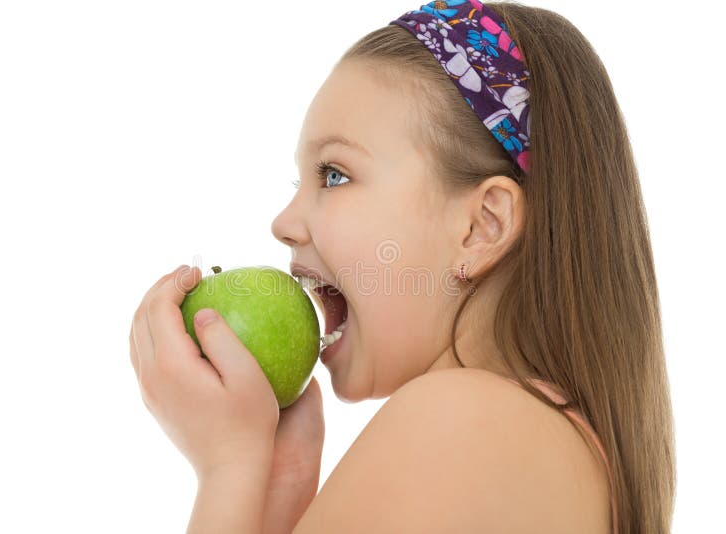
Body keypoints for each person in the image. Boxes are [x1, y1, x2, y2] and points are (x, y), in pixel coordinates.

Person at [130, 2, 675, 533]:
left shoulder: (460, 418)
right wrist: (279, 487)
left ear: (481, 227)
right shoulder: (554, 442)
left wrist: (228, 466)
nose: (284, 223)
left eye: (335, 175)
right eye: (303, 182)